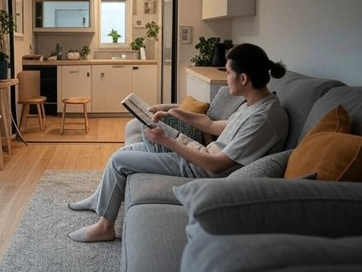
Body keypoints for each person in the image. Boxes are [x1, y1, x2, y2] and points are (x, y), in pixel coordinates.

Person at [67, 43, 289, 243]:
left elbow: (216, 165)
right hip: (203, 154)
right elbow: (212, 125)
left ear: (243, 79)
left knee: (121, 160)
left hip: (203, 169)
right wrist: (173, 113)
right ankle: (99, 200)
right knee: (131, 145)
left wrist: (166, 141)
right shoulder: (253, 105)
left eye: (228, 73)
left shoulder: (263, 119)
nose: (226, 78)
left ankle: (105, 228)